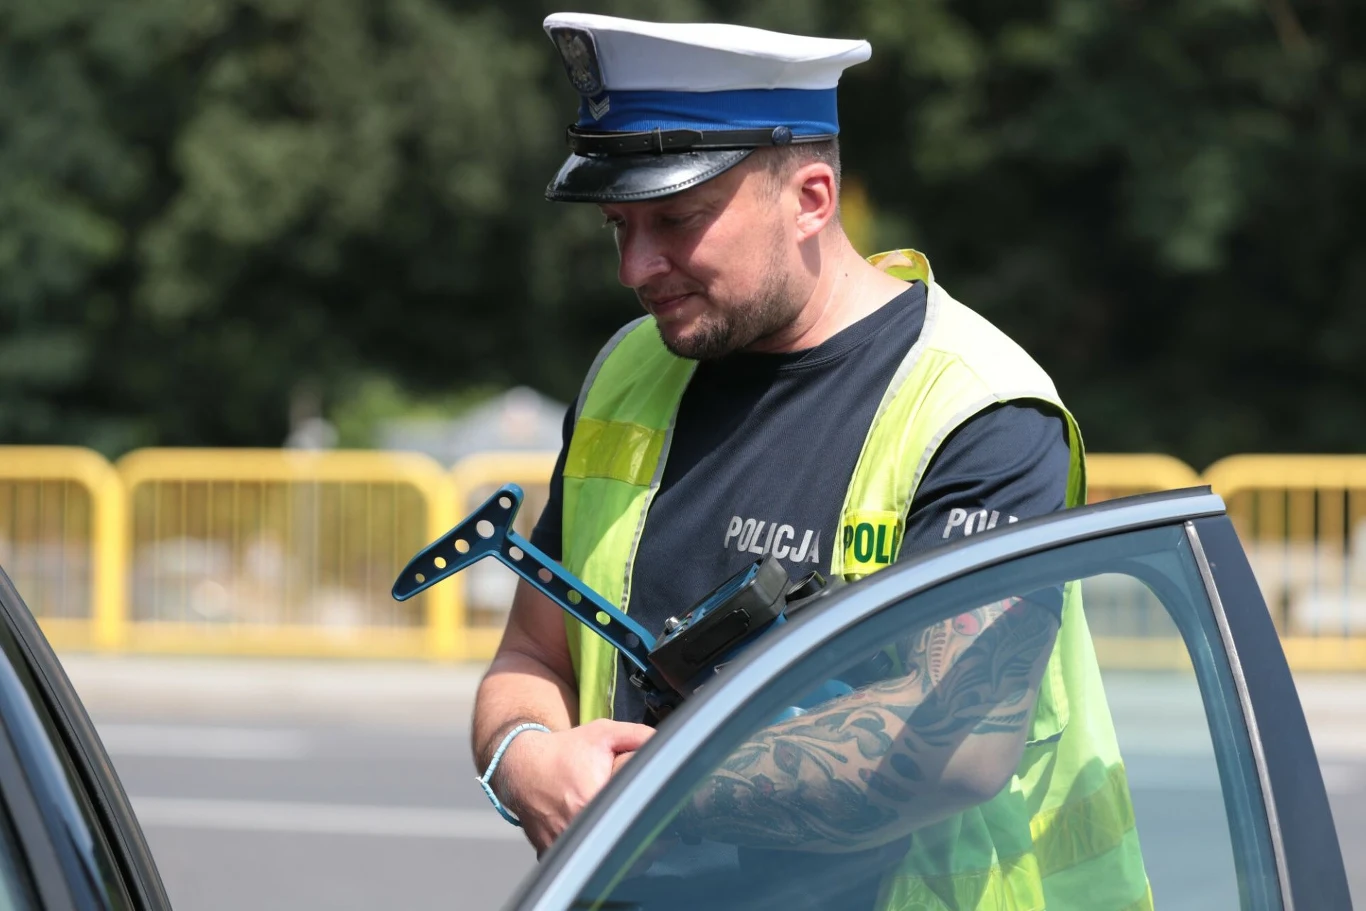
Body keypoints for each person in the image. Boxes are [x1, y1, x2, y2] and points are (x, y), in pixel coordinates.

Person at [471, 12, 1151, 910]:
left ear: (813, 199)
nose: (637, 266)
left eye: (675, 218)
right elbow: (530, 656)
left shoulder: (975, 409)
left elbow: (956, 743)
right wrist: (527, 759)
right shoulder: (625, 373)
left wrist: (641, 790)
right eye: (617, 224)